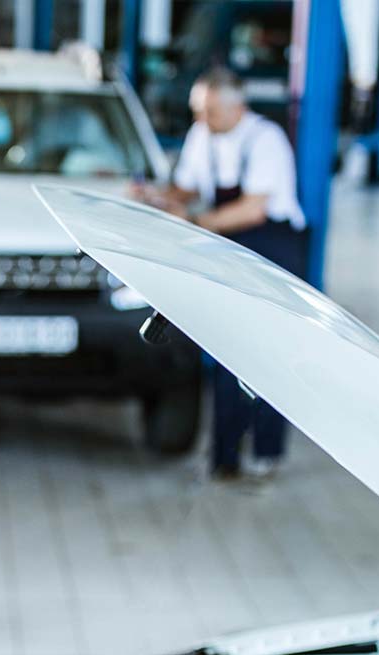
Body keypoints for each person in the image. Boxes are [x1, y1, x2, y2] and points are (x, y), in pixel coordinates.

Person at [133, 66, 309, 480]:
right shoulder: (202, 136)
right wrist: (156, 197)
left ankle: (266, 453)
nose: (201, 120)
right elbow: (189, 187)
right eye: (198, 111)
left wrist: (195, 222)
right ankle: (224, 458)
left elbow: (254, 208)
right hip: (229, 247)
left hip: (273, 249)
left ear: (237, 107)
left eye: (210, 111)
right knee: (229, 347)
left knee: (267, 353)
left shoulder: (267, 140)